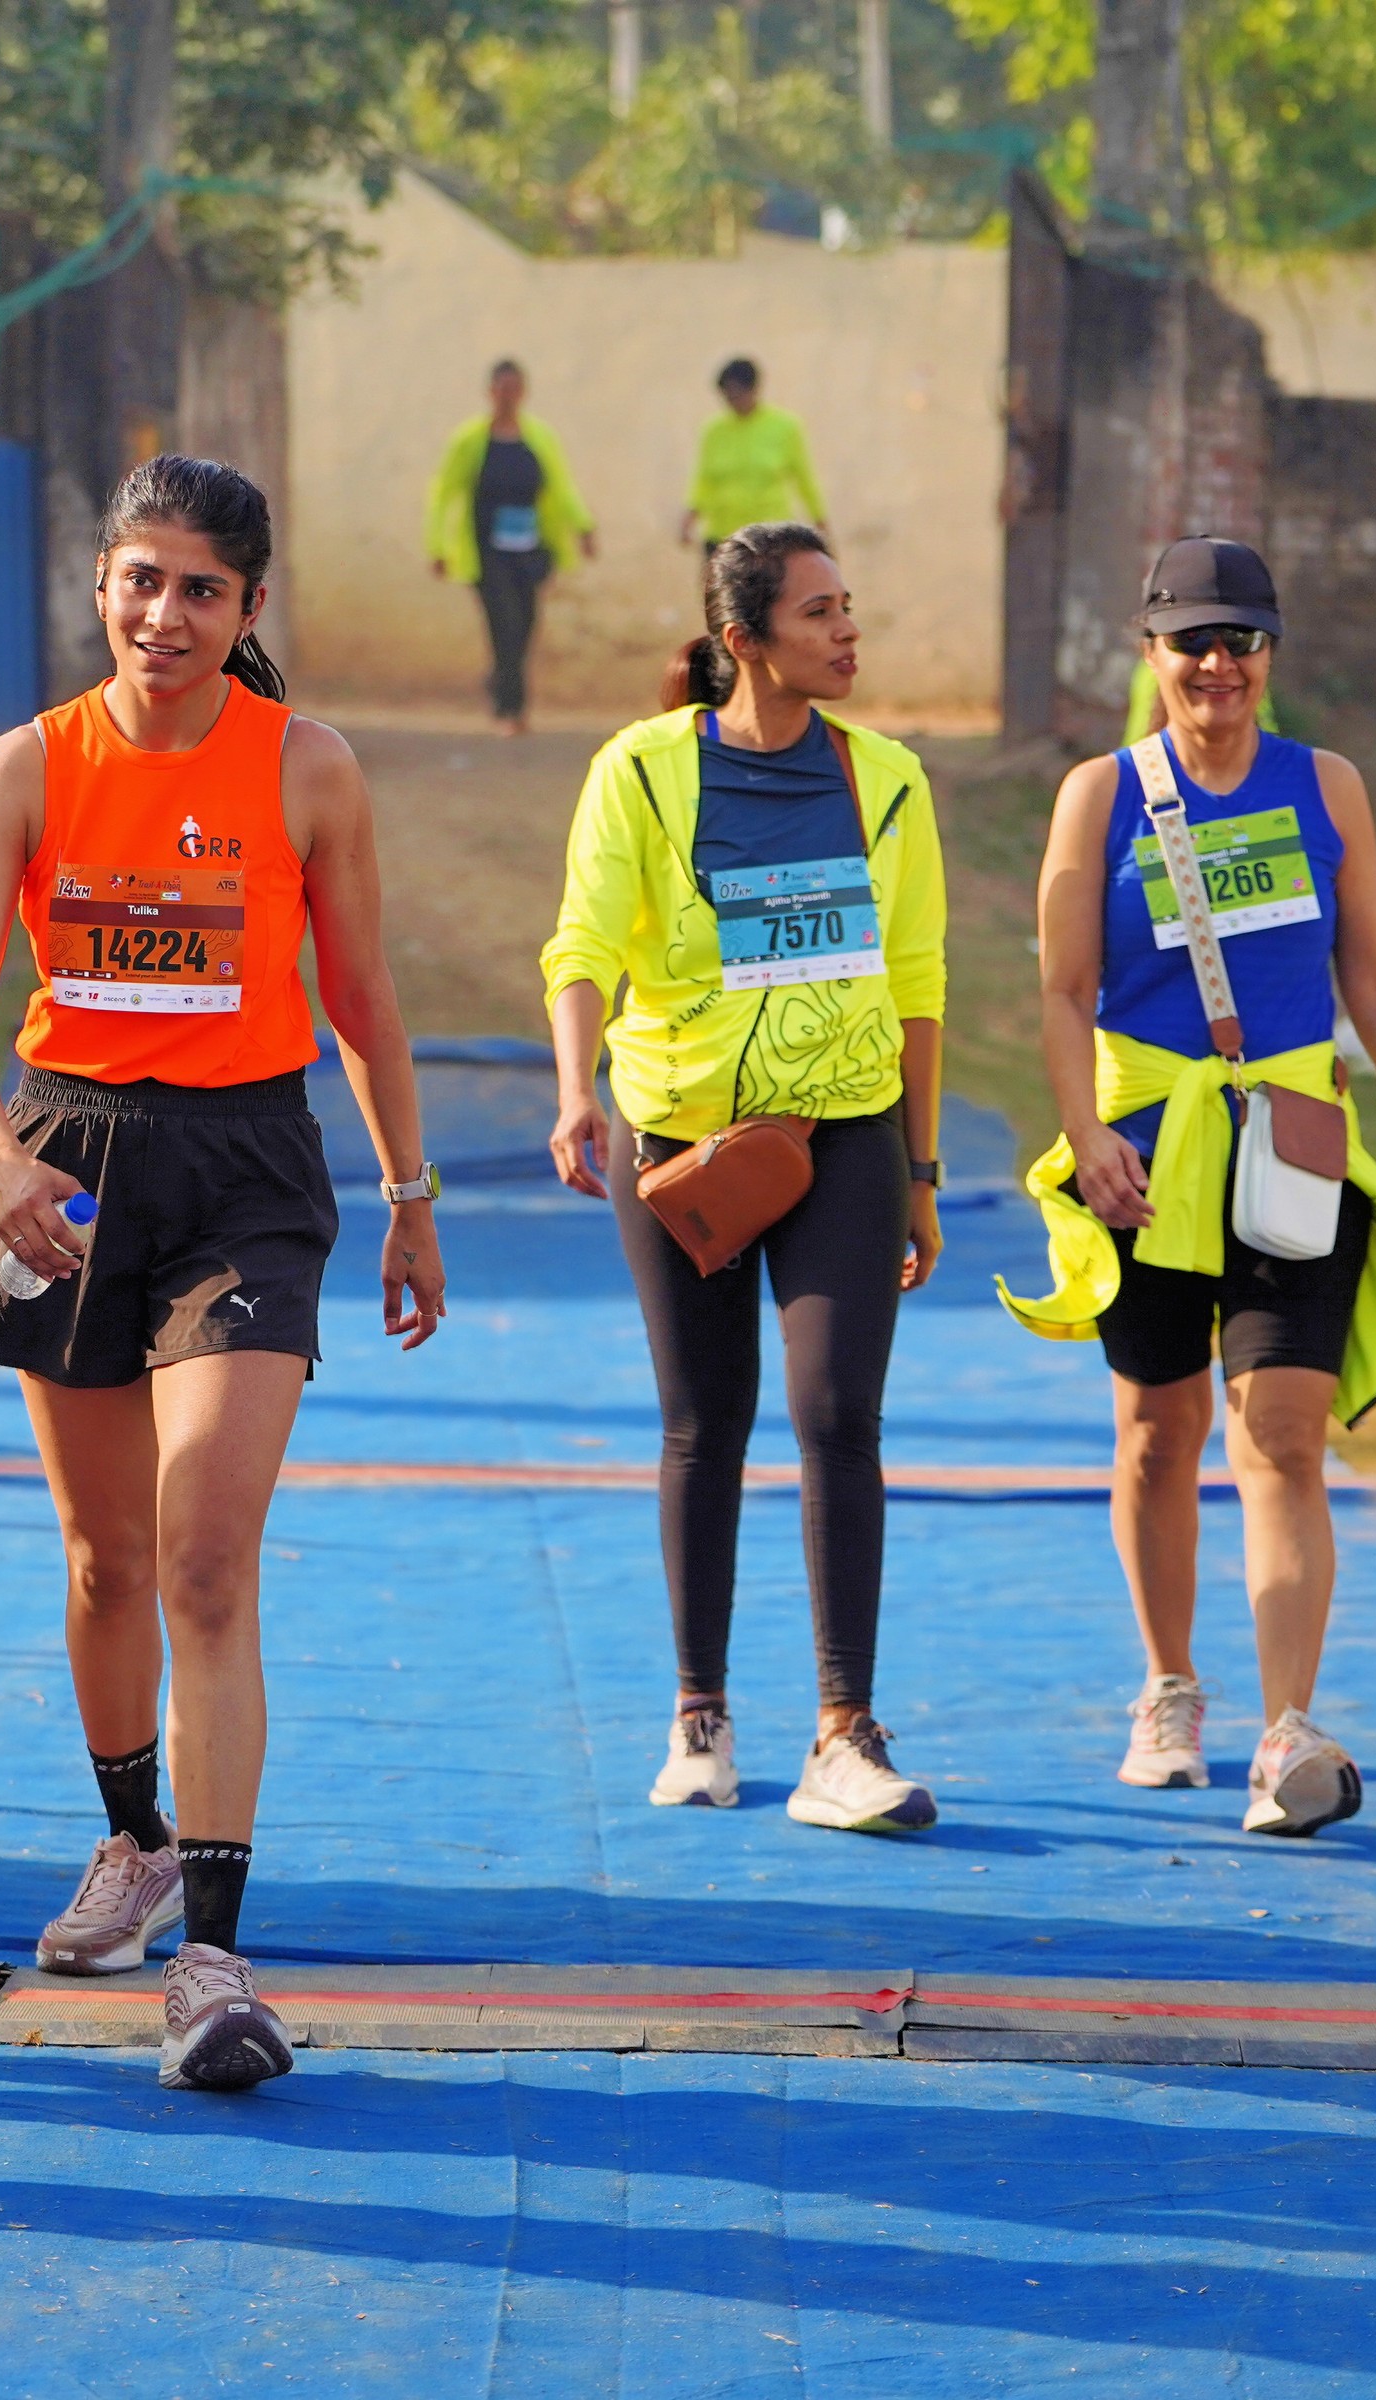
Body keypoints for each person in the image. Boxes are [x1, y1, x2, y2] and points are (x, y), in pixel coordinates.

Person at [0, 455, 446, 2093]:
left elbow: (363, 1003)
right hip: (69, 1171)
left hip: (249, 1178)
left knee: (205, 1554)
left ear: (248, 607)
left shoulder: (308, 768)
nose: (166, 613)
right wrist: (0, 1163)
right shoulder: (26, 766)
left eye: (201, 589)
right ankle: (134, 1840)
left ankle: (212, 1966)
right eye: (141, 579)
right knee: (106, 1563)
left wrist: (411, 1196)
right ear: (102, 586)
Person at [1016, 535, 1376, 1837]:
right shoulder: (1098, 796)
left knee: (1282, 1432)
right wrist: (1086, 1132)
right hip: (1147, 1154)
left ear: (1271, 652)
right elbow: (1062, 991)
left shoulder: (1326, 786)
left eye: (1243, 640)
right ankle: (1169, 1688)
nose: (1218, 663)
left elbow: (1374, 983)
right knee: (1157, 1433)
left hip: (1295, 1145)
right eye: (1194, 641)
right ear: (1151, 650)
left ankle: (1287, 1733)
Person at [541, 522, 949, 1834]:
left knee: (839, 1416)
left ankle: (844, 1733)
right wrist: (575, 1091)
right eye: (820, 611)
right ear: (744, 639)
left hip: (846, 1136)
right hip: (678, 1147)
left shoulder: (890, 782)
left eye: (849, 605)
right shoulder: (641, 770)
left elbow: (919, 986)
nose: (848, 630)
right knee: (702, 1424)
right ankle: (700, 1716)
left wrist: (921, 1170)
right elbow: (583, 945)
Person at [426, 359, 598, 735]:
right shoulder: (470, 441)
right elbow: (443, 493)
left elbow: (561, 486)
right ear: (491, 392)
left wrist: (583, 526)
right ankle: (510, 709)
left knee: (525, 624)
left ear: (523, 392)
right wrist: (437, 546)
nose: (507, 396)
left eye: (514, 389)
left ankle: (500, 680)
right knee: (503, 624)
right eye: (501, 389)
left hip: (531, 550)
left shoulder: (540, 437)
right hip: (487, 552)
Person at [678, 359, 825, 553]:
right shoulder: (713, 431)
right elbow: (704, 480)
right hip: (723, 535)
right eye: (728, 396)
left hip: (770, 537)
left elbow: (804, 479)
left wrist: (819, 519)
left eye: (738, 394)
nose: (733, 402)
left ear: (754, 389)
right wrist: (690, 517)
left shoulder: (785, 427)